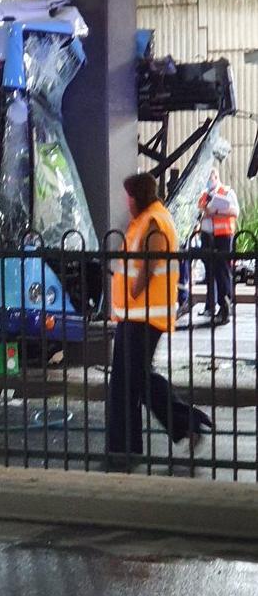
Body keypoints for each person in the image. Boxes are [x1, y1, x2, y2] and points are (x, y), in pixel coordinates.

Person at [108, 173, 212, 464]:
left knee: (130, 381)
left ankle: (127, 447)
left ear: (138, 196)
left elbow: (149, 264)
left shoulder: (154, 221)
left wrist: (134, 288)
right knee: (133, 380)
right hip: (134, 315)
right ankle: (177, 427)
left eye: (129, 195)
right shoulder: (149, 218)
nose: (127, 201)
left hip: (143, 316)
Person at [197, 167, 239, 325]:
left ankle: (225, 304)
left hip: (223, 235)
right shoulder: (204, 195)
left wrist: (215, 212)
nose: (208, 181)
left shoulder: (227, 192)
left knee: (222, 270)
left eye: (210, 177)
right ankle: (212, 305)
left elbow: (235, 211)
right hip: (207, 236)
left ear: (216, 177)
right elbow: (199, 212)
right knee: (210, 271)